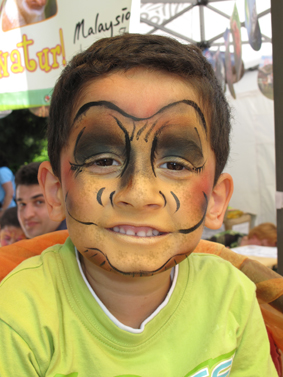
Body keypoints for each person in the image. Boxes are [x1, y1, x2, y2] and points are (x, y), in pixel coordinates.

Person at [0, 34, 278, 376]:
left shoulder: (231, 297)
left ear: (216, 201)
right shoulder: (16, 315)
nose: (139, 192)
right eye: (103, 160)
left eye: (175, 165)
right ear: (56, 191)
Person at [15, 162, 66, 239]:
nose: (27, 215)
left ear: (61, 201)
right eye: (22, 204)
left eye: (39, 202)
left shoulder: (79, 246)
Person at [208, 222, 277, 248]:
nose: (262, 250)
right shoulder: (230, 237)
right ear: (255, 236)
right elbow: (202, 247)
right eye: (262, 245)